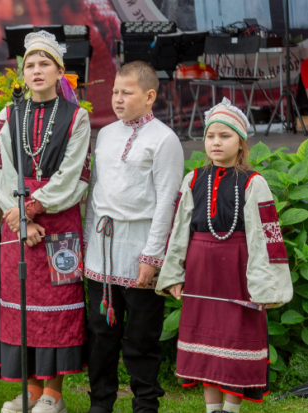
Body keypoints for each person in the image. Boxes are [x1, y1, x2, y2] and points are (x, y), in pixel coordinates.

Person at [157, 98, 292, 413]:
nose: (216, 142)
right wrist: (175, 273)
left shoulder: (253, 183)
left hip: (238, 271)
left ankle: (231, 409)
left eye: (225, 136)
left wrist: (266, 285)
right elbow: (178, 231)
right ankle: (211, 408)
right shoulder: (193, 179)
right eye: (210, 136)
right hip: (201, 270)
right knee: (207, 343)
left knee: (237, 338)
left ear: (242, 142)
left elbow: (267, 236)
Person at [0, 31, 91, 413]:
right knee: (22, 302)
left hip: (57, 219)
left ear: (60, 70)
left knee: (57, 302)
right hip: (16, 219)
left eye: (44, 63)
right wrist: (19, 218)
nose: (36, 70)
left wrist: (33, 209)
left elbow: (73, 174)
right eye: (29, 64)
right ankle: (30, 390)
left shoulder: (76, 117)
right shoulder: (9, 113)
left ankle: (54, 393)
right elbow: (0, 169)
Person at [82, 61, 184, 413]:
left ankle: (145, 405)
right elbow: (95, 194)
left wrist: (152, 256)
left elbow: (167, 201)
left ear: (149, 96)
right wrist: (86, 244)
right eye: (114, 92)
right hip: (102, 249)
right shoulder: (107, 134)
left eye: (127, 92)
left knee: (141, 337)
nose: (117, 99)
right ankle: (101, 403)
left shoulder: (164, 140)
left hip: (140, 248)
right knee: (100, 333)